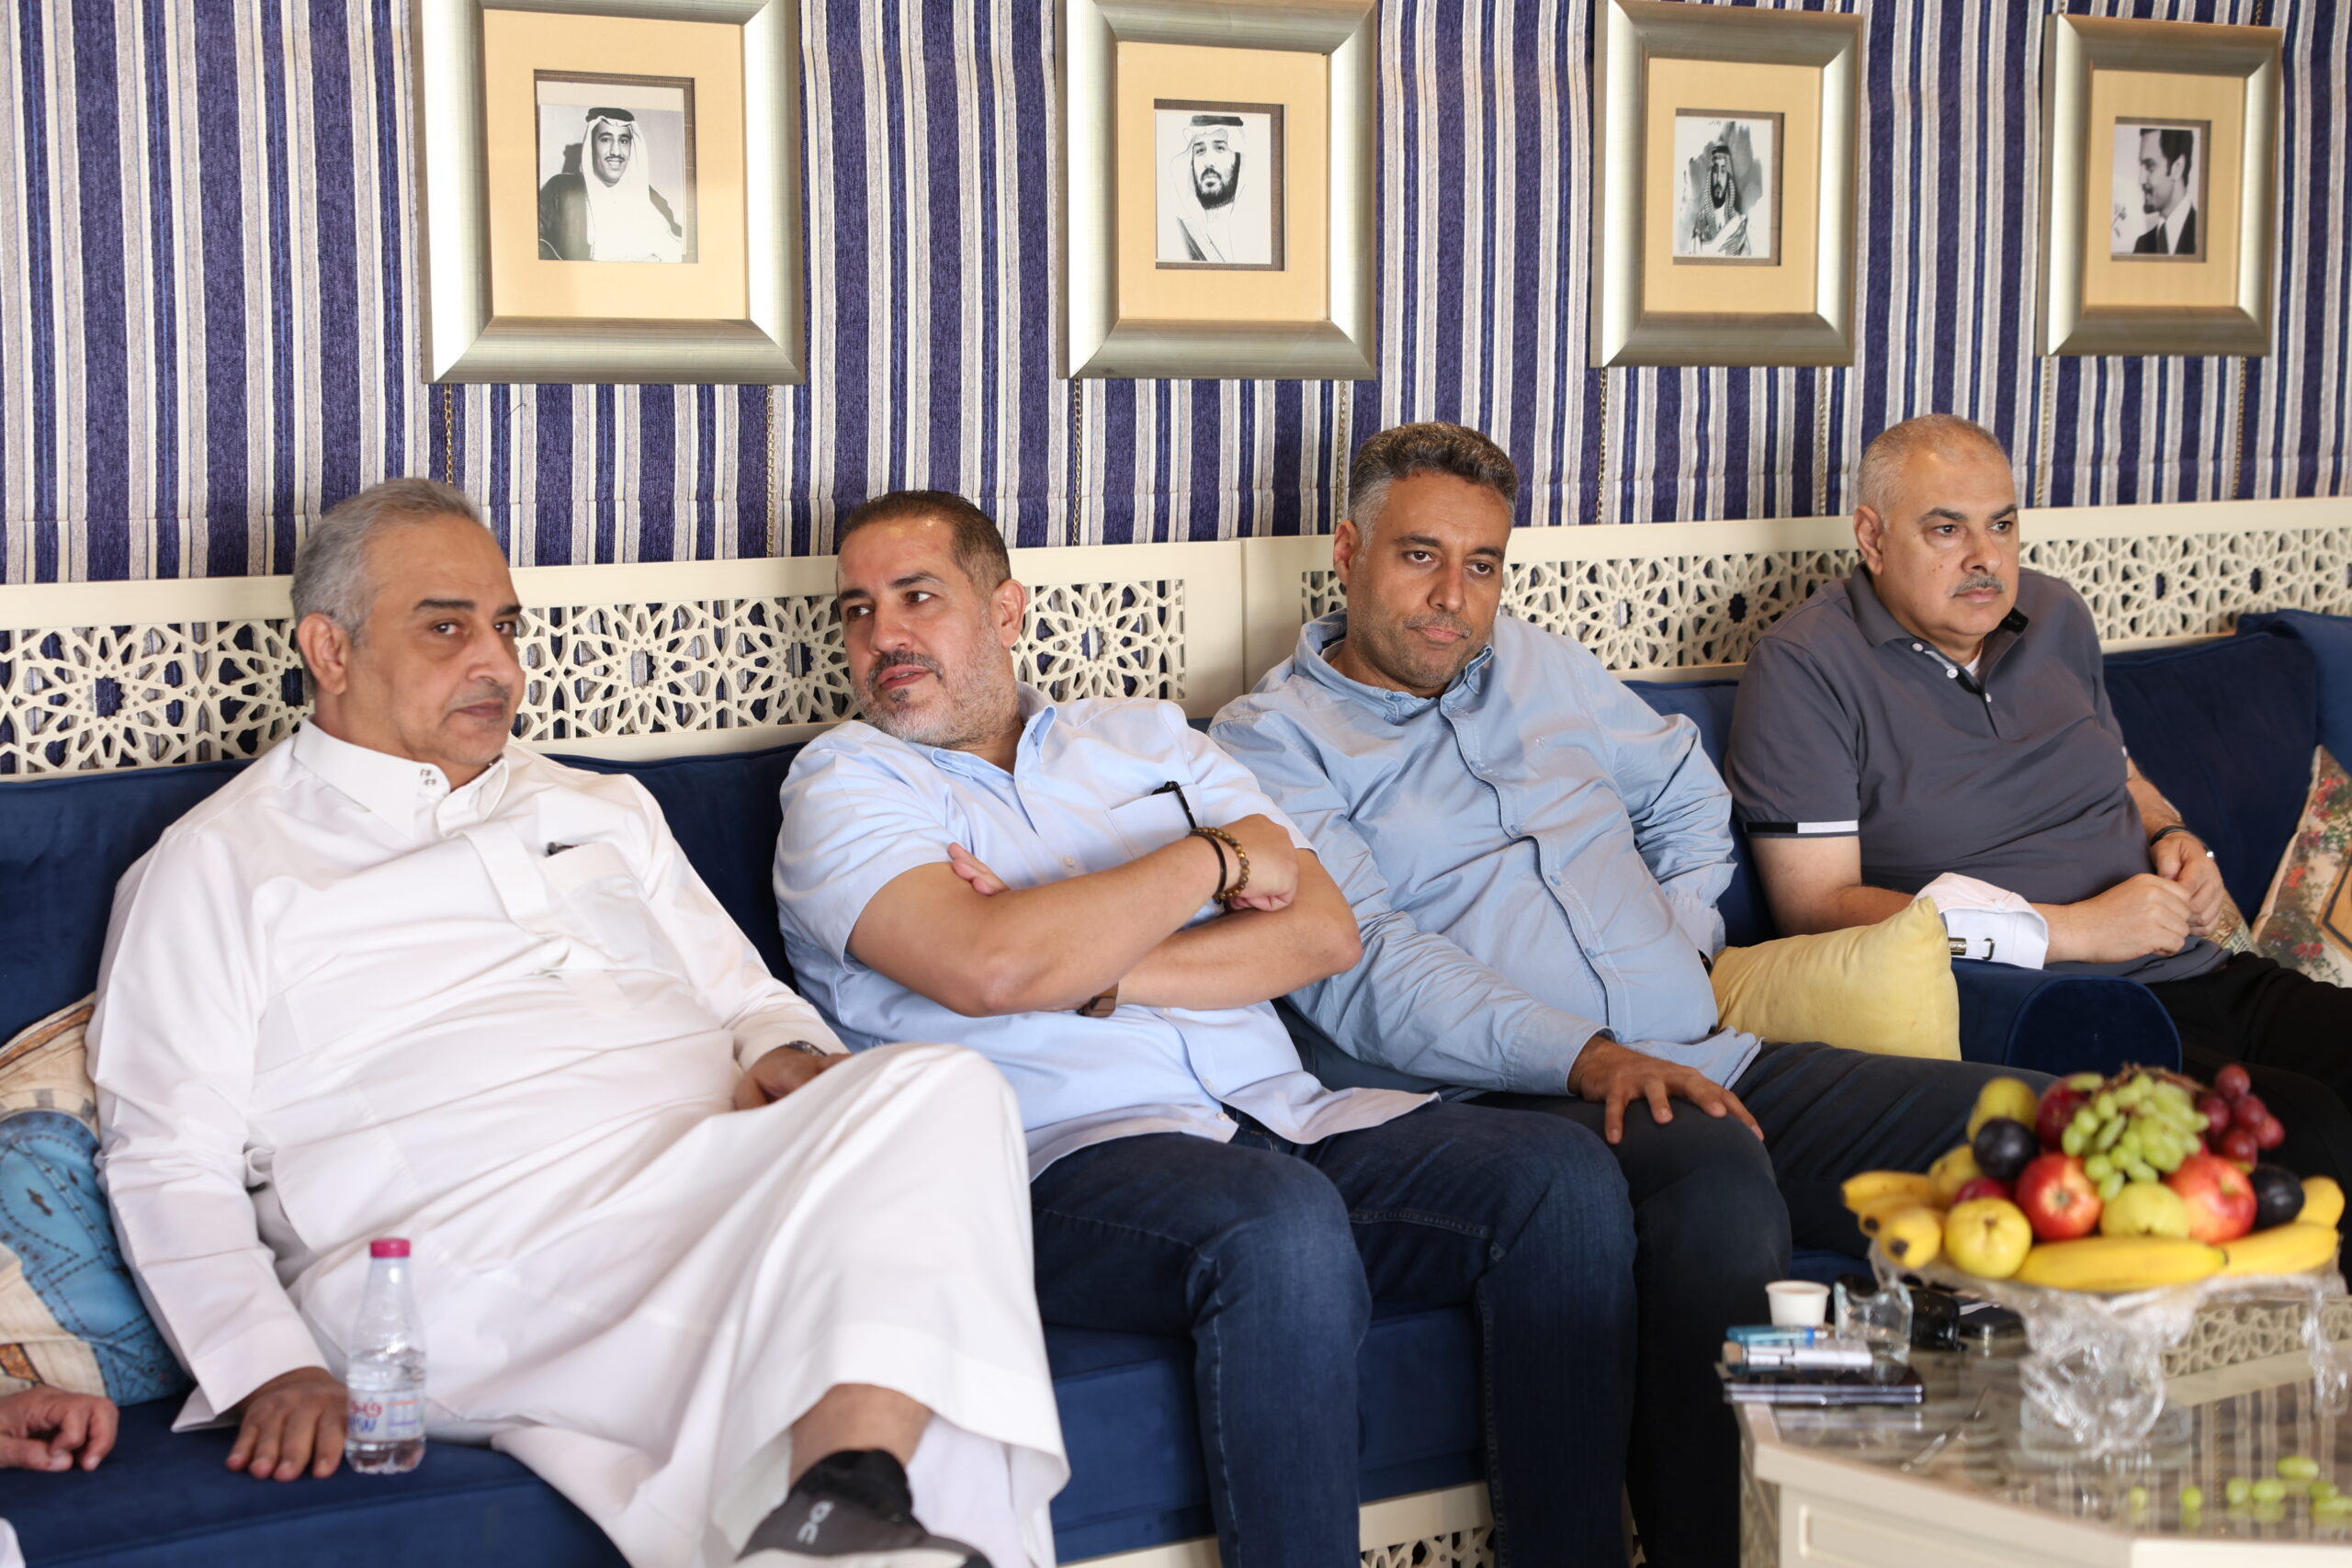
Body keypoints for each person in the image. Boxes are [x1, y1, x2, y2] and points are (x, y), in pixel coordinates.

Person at [89, 479, 1063, 1568]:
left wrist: (787, 1056)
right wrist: (268, 1364)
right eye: (447, 627)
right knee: (888, 1297)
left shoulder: (602, 805)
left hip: (705, 1179)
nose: (499, 665)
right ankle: (846, 1508)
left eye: (507, 627)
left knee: (945, 1086)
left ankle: (840, 1503)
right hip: (468, 1239)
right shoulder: (220, 864)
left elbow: (749, 1000)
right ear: (330, 649)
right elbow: (165, 1152)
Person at [1208, 423, 2041, 1568]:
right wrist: (1588, 1049)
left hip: (1709, 1048)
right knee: (1715, 1182)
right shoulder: (1269, 743)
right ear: (1347, 553)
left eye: (1483, 565)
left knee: (2023, 1128)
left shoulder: (1543, 670)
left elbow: (1685, 791)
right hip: (1509, 1100)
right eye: (1419, 557)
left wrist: (1678, 932)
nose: (1453, 598)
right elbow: (1367, 970)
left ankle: (1971, 1528)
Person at [775, 490, 1640, 1568]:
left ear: (1005, 612)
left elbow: (1320, 933)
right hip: (1055, 1160)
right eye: (858, 610)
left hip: (1277, 1115)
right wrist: (1208, 862)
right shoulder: (843, 786)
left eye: (917, 598)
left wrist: (1091, 969)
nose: (883, 637)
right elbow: (991, 966)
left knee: (1558, 1178)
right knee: (1274, 1225)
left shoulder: (1141, 738)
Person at [1724, 413, 2352, 1204]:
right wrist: (2077, 929)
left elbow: (2120, 771)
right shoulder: (1806, 665)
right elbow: (1815, 909)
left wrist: (2173, 833)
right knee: (2309, 1134)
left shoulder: (2056, 615)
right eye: (1947, 529)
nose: (1985, 558)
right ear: (1872, 538)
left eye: (2002, 525)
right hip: (2055, 1010)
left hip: (2201, 965)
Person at [538, 107, 686, 263]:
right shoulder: (561, 190)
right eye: (606, 139)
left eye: (623, 141)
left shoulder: (646, 195)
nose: (616, 151)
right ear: (591, 146)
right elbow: (531, 244)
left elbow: (683, 244)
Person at [1158, 114, 1259, 265]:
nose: (1209, 161)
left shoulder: (1258, 230)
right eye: (1200, 151)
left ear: (1239, 159)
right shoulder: (1177, 234)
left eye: (1220, 148)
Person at [2131, 127, 2198, 256]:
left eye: (2149, 166)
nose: (2141, 179)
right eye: (2141, 166)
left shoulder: (2208, 239)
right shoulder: (2141, 246)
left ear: (2177, 168)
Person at [1687, 141, 1749, 257]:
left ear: (1729, 177)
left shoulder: (1738, 226)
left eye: (1723, 171)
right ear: (1710, 176)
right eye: (1715, 170)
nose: (1719, 178)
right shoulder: (1700, 224)